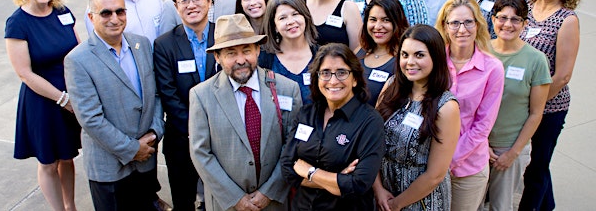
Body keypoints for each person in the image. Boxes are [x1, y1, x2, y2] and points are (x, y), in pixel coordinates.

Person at [64, 0, 165, 210]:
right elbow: (91, 119)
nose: (115, 19)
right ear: (91, 17)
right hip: (109, 169)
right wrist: (132, 149)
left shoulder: (142, 45)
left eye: (120, 11)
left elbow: (156, 95)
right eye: (106, 13)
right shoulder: (77, 60)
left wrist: (155, 132)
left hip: (146, 159)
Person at [189, 14, 303, 211]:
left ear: (258, 50)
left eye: (247, 50)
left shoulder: (287, 89)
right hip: (227, 205)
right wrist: (235, 198)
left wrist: (269, 191)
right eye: (231, 53)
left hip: (275, 202)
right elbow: (201, 153)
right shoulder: (201, 95)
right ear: (218, 57)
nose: (241, 60)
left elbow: (292, 146)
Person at [5, 0, 81, 211]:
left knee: (67, 157)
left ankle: (70, 207)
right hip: (43, 101)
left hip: (70, 96)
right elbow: (24, 73)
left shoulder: (62, 12)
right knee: (48, 161)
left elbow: (78, 51)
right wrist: (62, 99)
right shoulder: (17, 22)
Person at [280, 43, 385, 210]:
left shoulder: (370, 121)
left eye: (342, 72)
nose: (333, 80)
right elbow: (288, 170)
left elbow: (359, 184)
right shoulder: (306, 114)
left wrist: (310, 172)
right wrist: (337, 179)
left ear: (355, 78)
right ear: (317, 78)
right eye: (325, 73)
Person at [518, 0, 583, 211]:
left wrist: (533, 105)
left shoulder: (567, 20)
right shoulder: (524, 9)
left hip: (550, 107)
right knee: (537, 164)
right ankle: (548, 206)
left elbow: (563, 75)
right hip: (521, 103)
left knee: (537, 165)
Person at [373, 24, 460, 211]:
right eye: (405, 55)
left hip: (420, 201)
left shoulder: (446, 107)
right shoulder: (391, 86)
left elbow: (435, 175)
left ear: (435, 58)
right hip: (382, 194)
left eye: (419, 55)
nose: (410, 62)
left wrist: (396, 204)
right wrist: (379, 190)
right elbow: (370, 141)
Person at [153, 0, 218, 210]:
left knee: (220, 199)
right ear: (176, 6)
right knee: (183, 201)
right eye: (184, 0)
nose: (191, 5)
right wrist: (197, 130)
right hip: (181, 139)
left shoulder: (224, 36)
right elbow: (168, 95)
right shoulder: (164, 45)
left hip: (223, 137)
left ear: (210, 0)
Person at [434, 0, 504, 210]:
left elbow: (483, 126)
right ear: (445, 27)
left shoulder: (492, 68)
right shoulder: (433, 61)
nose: (461, 29)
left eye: (468, 22)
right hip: (429, 162)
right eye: (454, 22)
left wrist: (448, 160)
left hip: (468, 169)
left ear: (478, 25)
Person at [486, 0, 552, 211]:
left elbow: (536, 113)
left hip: (508, 145)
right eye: (502, 17)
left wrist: (513, 153)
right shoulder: (481, 51)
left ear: (525, 24)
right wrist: (480, 142)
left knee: (500, 206)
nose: (507, 24)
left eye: (515, 19)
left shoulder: (535, 60)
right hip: (478, 143)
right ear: (493, 19)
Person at [259, 0, 319, 106]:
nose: (291, 22)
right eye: (282, 18)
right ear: (274, 26)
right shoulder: (264, 58)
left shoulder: (321, 56)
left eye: (295, 14)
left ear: (305, 17)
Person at [355, 0, 409, 107]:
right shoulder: (359, 51)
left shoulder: (403, 61)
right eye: (373, 20)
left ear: (397, 22)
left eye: (386, 20)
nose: (378, 26)